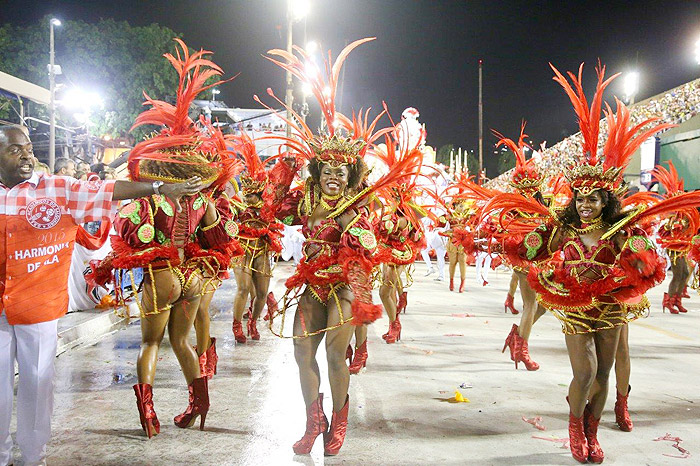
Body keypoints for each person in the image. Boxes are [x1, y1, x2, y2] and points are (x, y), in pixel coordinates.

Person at [487, 63, 679, 463]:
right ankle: (575, 424)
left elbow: (647, 260)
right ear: (573, 199)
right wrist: (519, 237)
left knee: (605, 373)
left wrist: (638, 254)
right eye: (580, 198)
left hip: (610, 304)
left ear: (606, 201)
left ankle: (593, 431)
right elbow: (533, 248)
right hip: (574, 303)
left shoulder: (621, 228)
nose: (586, 203)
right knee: (586, 372)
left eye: (594, 198)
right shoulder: (565, 226)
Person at [0, 124, 201, 465]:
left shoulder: (56, 188)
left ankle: (33, 457)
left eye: (29, 147)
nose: (26, 155)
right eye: (14, 150)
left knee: (37, 384)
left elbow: (107, 191)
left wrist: (157, 187)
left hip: (38, 307)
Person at [88, 39, 240, 439]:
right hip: (192, 276)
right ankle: (199, 404)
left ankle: (148, 412)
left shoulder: (151, 196)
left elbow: (128, 236)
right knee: (182, 341)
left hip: (162, 276)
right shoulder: (203, 198)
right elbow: (220, 240)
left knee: (150, 344)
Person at [263, 38, 403, 456]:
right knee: (300, 349)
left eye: (342, 172)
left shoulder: (360, 205)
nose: (334, 178)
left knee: (335, 357)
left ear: (351, 175)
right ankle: (314, 418)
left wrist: (344, 219)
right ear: (319, 172)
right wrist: (286, 167)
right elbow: (272, 208)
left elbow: (368, 245)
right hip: (310, 285)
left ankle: (339, 421)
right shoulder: (306, 197)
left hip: (342, 286)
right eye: (328, 171)